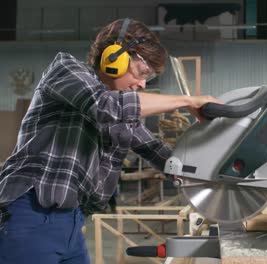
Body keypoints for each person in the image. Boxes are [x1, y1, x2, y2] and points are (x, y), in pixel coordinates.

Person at [0, 18, 221, 263]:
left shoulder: (120, 110)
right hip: (31, 212)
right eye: (142, 72)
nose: (142, 84)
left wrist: (213, 173)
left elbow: (159, 153)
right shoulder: (66, 70)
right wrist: (189, 101)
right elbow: (106, 107)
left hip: (71, 222)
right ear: (114, 58)